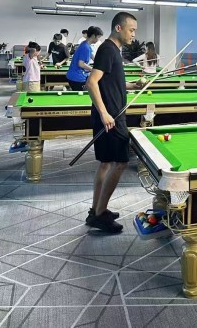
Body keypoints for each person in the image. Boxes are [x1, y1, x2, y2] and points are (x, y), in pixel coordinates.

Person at [85, 12, 144, 233]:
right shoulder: (108, 49)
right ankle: (101, 214)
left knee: (106, 163)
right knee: (120, 163)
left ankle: (96, 210)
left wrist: (133, 85)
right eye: (131, 30)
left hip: (113, 116)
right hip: (111, 118)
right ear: (119, 28)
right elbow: (91, 83)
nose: (134, 34)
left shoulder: (112, 51)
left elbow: (110, 81)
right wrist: (104, 113)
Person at [66, 26, 102, 91]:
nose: (98, 40)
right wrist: (93, 69)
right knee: (89, 92)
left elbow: (92, 56)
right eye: (98, 37)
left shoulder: (86, 44)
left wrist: (100, 65)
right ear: (93, 36)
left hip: (74, 76)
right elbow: (81, 64)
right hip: (77, 78)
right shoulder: (85, 47)